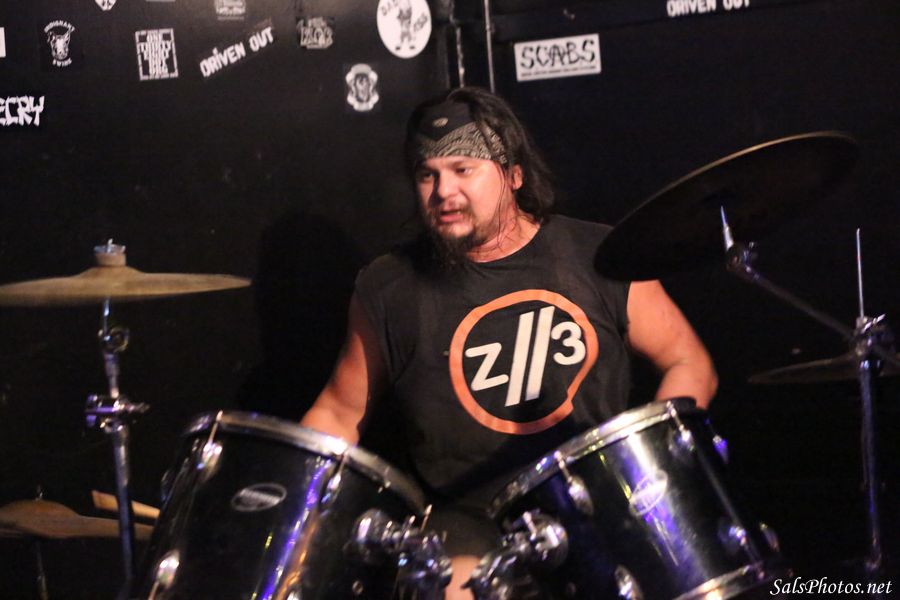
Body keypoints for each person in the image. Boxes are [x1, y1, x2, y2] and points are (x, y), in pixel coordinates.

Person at [300, 86, 717, 599]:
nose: (443, 191)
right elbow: (339, 413)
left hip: (593, 508)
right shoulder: (388, 287)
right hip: (467, 521)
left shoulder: (600, 256)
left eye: (463, 169)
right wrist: (293, 503)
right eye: (427, 174)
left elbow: (687, 362)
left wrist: (654, 470)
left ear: (514, 174)